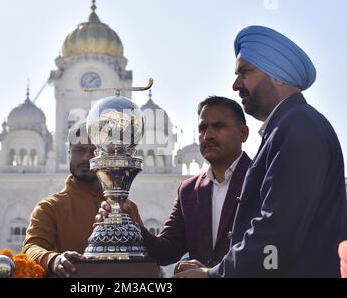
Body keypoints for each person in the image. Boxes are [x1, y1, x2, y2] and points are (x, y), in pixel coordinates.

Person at [175, 25, 347, 278]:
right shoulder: (286, 126)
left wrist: (214, 274)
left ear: (277, 75)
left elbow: (278, 230)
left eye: (245, 72)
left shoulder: (299, 126)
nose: (235, 84)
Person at [97, 96, 251, 270]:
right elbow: (166, 251)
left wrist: (212, 274)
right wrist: (131, 222)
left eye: (219, 126)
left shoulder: (261, 179)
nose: (208, 135)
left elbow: (266, 247)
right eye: (202, 128)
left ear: (243, 133)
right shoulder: (190, 190)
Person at [22, 122, 142, 278]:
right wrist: (54, 259)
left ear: (107, 155)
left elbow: (147, 256)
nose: (86, 157)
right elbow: (32, 247)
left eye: (95, 151)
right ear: (69, 153)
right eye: (79, 150)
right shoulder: (50, 207)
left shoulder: (126, 207)